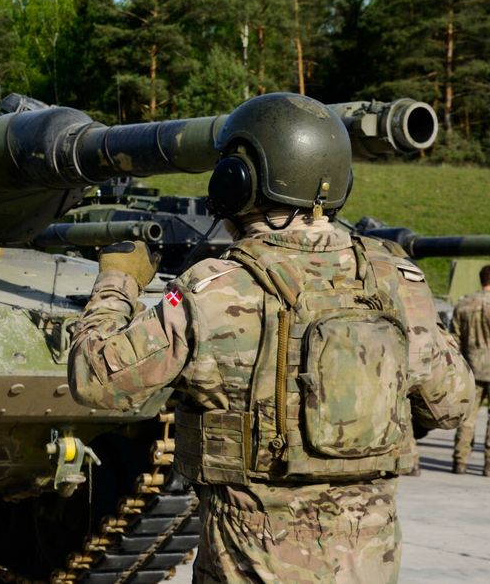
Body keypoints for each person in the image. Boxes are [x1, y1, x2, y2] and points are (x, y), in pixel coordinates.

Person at [68, 92, 474, 583]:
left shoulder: (214, 290)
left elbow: (97, 378)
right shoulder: (395, 277)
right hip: (370, 558)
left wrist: (118, 281)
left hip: (254, 560)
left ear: (238, 183)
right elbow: (450, 405)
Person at [453, 264, 490, 475]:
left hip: (471, 367)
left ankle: (460, 461)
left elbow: (454, 339)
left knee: (467, 418)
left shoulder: (464, 304)